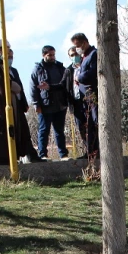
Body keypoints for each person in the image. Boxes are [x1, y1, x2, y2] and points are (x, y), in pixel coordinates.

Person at [0, 41, 43, 165]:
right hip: (1, 107)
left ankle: (31, 156)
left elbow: (19, 87)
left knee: (23, 132)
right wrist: (11, 85)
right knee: (4, 134)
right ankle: (6, 161)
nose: (9, 58)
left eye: (10, 55)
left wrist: (23, 102)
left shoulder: (13, 70)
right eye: (6, 53)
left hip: (16, 105)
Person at [30, 45, 69, 160]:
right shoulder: (38, 69)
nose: (52, 57)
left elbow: (65, 84)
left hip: (60, 105)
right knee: (44, 130)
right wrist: (36, 104)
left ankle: (63, 154)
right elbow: (33, 88)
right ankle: (43, 155)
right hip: (45, 105)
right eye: (50, 55)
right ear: (44, 55)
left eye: (53, 55)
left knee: (59, 131)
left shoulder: (60, 67)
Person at [71, 32, 99, 160]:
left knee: (95, 122)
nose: (77, 49)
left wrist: (79, 77)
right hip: (85, 98)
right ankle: (90, 152)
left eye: (77, 45)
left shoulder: (94, 54)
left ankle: (97, 151)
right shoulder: (84, 57)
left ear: (84, 42)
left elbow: (92, 73)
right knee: (89, 125)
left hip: (92, 94)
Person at [63, 45, 87, 154]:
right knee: (81, 128)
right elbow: (62, 85)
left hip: (87, 101)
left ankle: (96, 151)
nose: (75, 57)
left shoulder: (86, 65)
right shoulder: (68, 70)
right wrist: (49, 86)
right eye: (72, 55)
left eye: (76, 54)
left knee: (91, 127)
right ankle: (88, 152)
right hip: (76, 103)